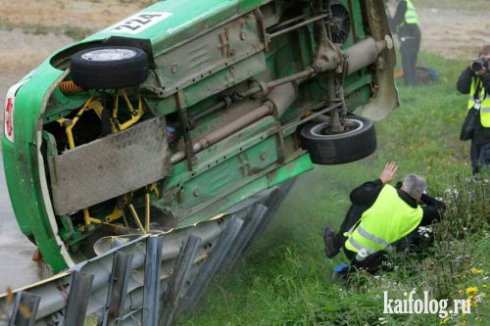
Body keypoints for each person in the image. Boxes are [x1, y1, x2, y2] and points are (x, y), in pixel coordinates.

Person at [324, 162, 445, 274]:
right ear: (419, 194)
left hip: (349, 248)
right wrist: (421, 196)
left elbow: (354, 195)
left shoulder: (384, 191)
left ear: (403, 185)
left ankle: (335, 244)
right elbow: (441, 208)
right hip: (375, 260)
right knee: (415, 234)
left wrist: (381, 180)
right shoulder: (419, 215)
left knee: (361, 201)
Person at [457, 45, 490, 175]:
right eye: (482, 59)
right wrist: (470, 70)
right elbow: (461, 87)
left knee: (486, 164)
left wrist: (484, 75)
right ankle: (478, 187)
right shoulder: (476, 74)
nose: (485, 62)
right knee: (476, 163)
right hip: (477, 126)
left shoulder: (484, 75)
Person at [388, 0, 421, 86]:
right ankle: (413, 83)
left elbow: (396, 21)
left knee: (407, 61)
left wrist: (388, 19)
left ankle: (409, 84)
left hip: (408, 34)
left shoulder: (403, 4)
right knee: (412, 61)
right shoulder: (408, 3)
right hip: (415, 34)